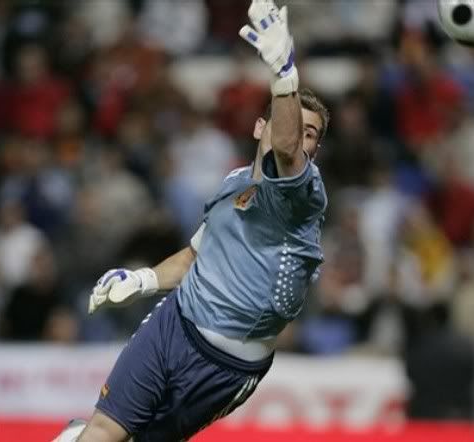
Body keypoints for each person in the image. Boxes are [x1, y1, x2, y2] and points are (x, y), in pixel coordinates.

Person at [54, 1, 330, 441]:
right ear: (258, 126)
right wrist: (142, 280)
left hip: (227, 363)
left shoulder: (302, 196)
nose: (299, 136)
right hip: (173, 320)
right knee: (104, 429)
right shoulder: (234, 181)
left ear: (312, 150)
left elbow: (286, 144)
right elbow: (193, 256)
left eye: (309, 134)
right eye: (296, 125)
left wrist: (284, 75)